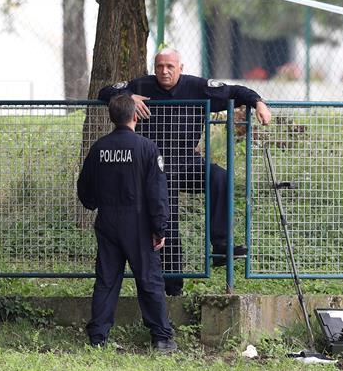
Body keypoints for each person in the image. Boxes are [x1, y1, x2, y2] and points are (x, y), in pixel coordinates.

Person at [98, 48, 272, 296]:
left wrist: (259, 103)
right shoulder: (141, 86)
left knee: (219, 177)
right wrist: (128, 98)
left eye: (170, 66)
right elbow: (105, 92)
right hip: (154, 165)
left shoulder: (198, 87)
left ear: (181, 67)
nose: (164, 71)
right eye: (159, 67)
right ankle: (172, 285)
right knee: (166, 221)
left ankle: (222, 246)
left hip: (187, 160)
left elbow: (235, 91)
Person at [77, 94, 178, 354]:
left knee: (107, 280)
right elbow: (157, 193)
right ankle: (161, 338)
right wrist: (159, 228)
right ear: (135, 116)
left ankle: (98, 338)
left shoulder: (99, 147)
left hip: (108, 220)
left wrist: (95, 203)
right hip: (139, 223)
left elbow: (84, 188)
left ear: (112, 117)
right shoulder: (146, 148)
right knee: (149, 279)